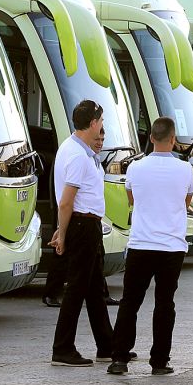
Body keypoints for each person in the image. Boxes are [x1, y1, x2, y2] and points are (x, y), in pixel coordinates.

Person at [108, 117, 193, 377]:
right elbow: (186, 200)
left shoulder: (135, 167)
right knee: (165, 303)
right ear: (173, 139)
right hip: (172, 246)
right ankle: (159, 361)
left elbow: (132, 197)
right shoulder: (185, 168)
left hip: (141, 243)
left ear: (152, 138)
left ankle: (119, 358)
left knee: (130, 301)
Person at [50, 100, 115, 367]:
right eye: (100, 121)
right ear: (92, 123)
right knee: (77, 288)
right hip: (82, 225)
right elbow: (66, 201)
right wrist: (62, 233)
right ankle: (62, 349)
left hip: (87, 225)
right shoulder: (77, 156)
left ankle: (107, 345)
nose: (101, 126)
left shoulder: (79, 149)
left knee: (94, 287)